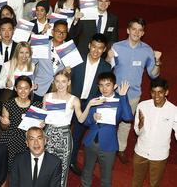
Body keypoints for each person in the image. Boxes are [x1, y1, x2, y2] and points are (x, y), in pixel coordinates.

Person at [109, 17, 161, 163]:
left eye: (140, 30)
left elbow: (153, 74)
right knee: (110, 121)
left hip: (133, 95)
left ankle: (121, 149)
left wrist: (157, 61)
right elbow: (107, 67)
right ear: (128, 30)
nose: (136, 32)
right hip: (114, 93)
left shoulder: (147, 50)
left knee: (126, 123)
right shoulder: (117, 47)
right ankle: (108, 149)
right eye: (134, 29)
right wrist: (108, 57)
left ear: (143, 33)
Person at [69, 33, 112, 175]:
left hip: (89, 105)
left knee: (77, 135)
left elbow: (105, 90)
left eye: (100, 48)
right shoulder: (76, 61)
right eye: (93, 47)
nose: (96, 51)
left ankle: (72, 161)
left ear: (104, 49)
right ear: (89, 46)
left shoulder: (106, 67)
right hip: (70, 101)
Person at [81, 72, 133, 187]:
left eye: (107, 85)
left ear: (114, 86)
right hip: (91, 142)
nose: (104, 88)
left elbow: (128, 117)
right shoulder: (95, 100)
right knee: (86, 171)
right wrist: (92, 118)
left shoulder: (120, 100)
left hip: (109, 144)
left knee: (106, 176)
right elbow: (85, 122)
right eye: (101, 85)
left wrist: (124, 96)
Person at [132, 78, 177, 187]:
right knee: (136, 182)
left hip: (159, 155)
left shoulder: (174, 110)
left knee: (155, 184)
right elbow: (137, 132)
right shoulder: (142, 106)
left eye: (160, 92)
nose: (156, 96)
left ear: (166, 92)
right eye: (153, 92)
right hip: (140, 151)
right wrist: (141, 124)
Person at [0, 76, 43, 170]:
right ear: (15, 88)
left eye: (26, 88)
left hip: (27, 141)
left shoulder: (36, 106)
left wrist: (41, 126)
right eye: (20, 88)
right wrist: (4, 124)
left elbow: (37, 129)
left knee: (25, 170)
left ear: (31, 89)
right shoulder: (8, 104)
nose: (23, 91)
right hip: (10, 139)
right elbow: (3, 128)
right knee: (7, 170)